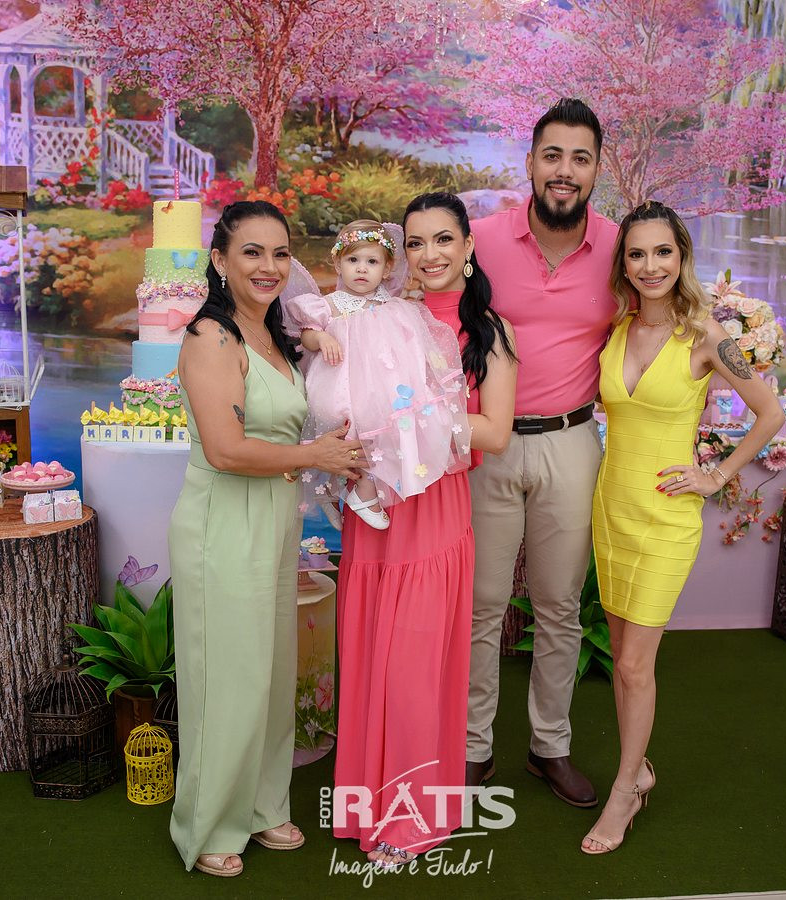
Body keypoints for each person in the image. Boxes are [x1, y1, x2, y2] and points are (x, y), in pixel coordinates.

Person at [168, 200, 364, 878]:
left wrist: (336, 446)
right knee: (226, 675)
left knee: (270, 671)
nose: (269, 266)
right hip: (223, 520)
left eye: (280, 253)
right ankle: (210, 823)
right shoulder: (211, 337)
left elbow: (289, 428)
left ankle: (262, 805)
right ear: (219, 260)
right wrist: (315, 455)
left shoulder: (276, 336)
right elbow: (225, 449)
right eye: (251, 251)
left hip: (275, 519)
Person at [582, 200, 783, 854]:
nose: (650, 266)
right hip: (612, 508)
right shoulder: (615, 330)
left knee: (634, 665)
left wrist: (715, 475)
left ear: (681, 257)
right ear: (624, 264)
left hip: (666, 518)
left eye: (662, 252)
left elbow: (770, 414)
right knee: (622, 661)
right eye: (637, 254)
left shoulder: (705, 336)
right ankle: (636, 768)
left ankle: (624, 790)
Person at [332, 192, 516, 869]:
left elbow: (495, 431)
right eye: (415, 242)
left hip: (434, 508)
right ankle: (364, 807)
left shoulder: (488, 330)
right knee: (369, 653)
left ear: (467, 246)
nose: (429, 254)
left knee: (413, 665)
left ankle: (410, 818)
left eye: (443, 239)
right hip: (374, 508)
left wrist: (416, 420)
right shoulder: (383, 314)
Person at [466, 98, 618, 807]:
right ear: (529, 162)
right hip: (487, 444)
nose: (564, 170)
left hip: (571, 442)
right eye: (552, 155)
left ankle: (548, 746)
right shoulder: (479, 241)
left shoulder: (619, 248)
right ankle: (473, 746)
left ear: (596, 170)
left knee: (558, 606)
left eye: (579, 158)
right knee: (482, 607)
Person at [283, 218, 472, 530]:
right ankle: (330, 488)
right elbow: (307, 334)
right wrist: (322, 338)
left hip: (380, 388)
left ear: (386, 269)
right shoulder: (330, 305)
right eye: (353, 260)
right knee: (342, 432)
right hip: (339, 384)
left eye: (372, 262)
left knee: (387, 427)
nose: (361, 269)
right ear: (338, 263)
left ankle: (364, 489)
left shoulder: (397, 306)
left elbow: (411, 344)